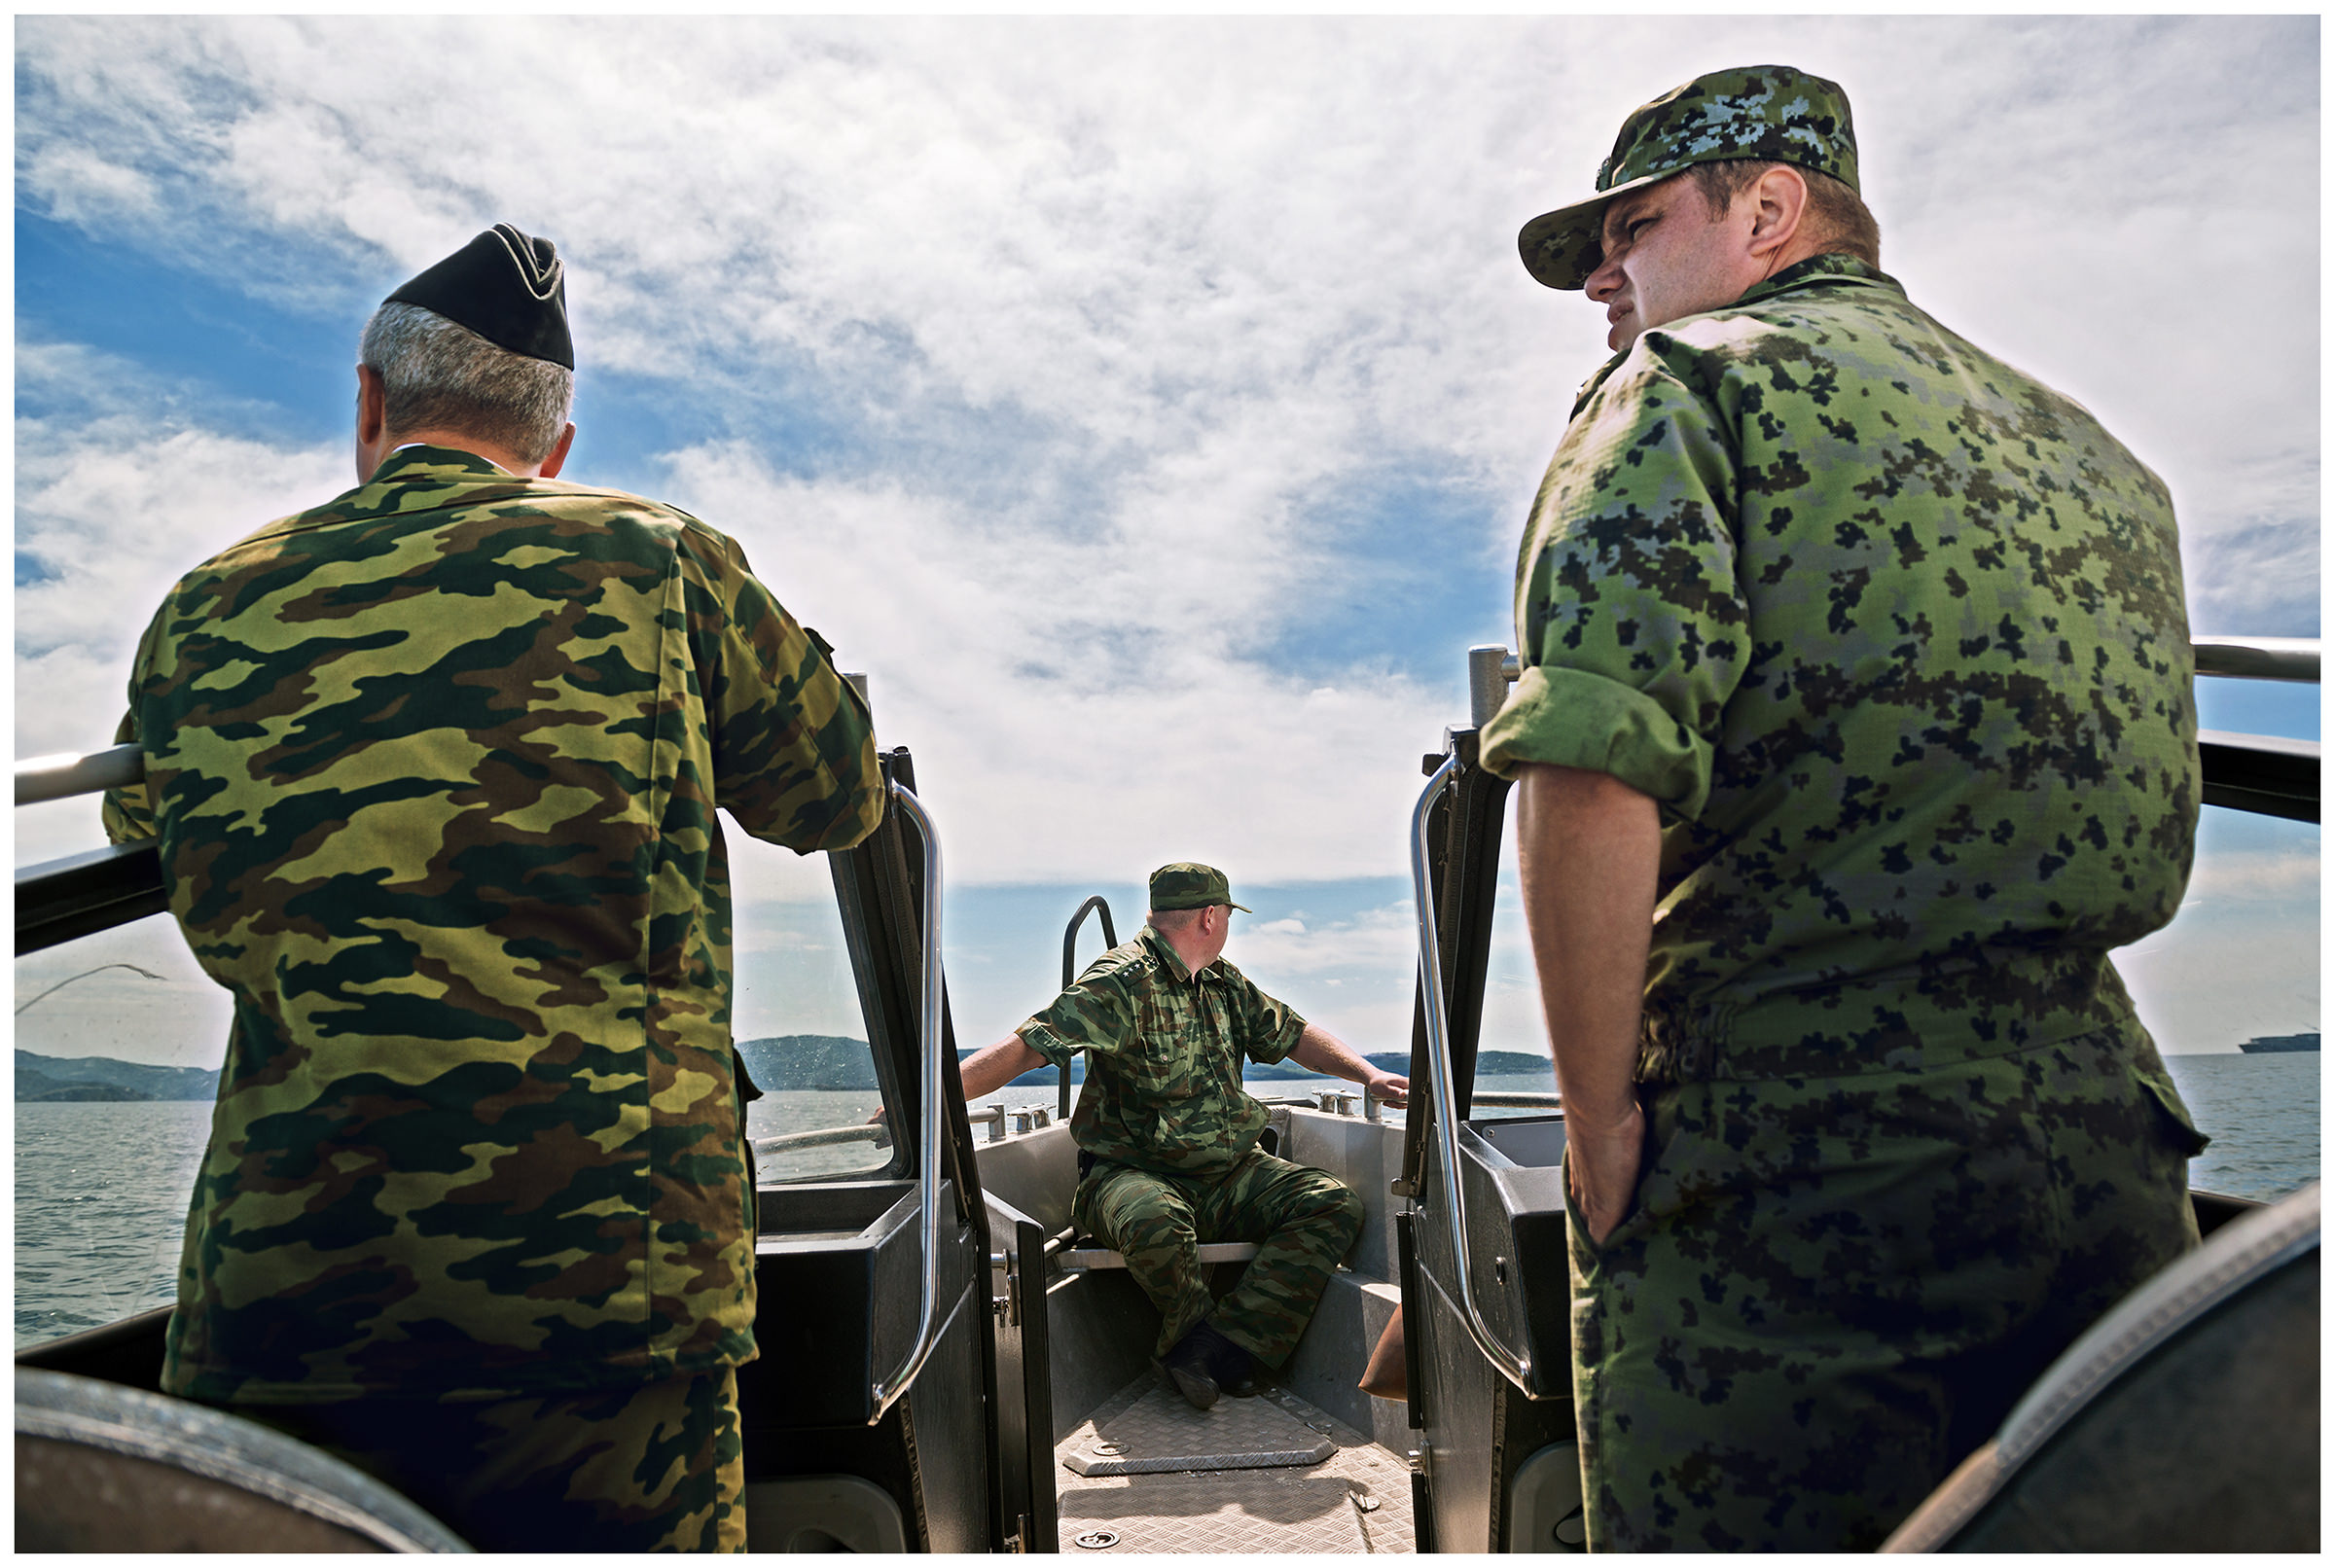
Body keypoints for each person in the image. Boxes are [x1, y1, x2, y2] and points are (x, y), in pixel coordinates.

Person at [1481, 66, 2209, 1551]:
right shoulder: (2110, 469)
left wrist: (1599, 1123)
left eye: (1636, 227)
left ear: (1768, 210)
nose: (1604, 279)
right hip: (2105, 1159)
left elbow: (1593, 765)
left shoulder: (1688, 385)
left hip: (1790, 1166)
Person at [101, 224, 885, 1552]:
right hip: (603, 1304)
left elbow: (149, 844)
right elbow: (838, 794)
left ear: (370, 401)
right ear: (555, 448)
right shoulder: (661, 562)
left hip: (286, 1297)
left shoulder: (205, 610)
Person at [956, 863, 1408, 1409]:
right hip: (1129, 1175)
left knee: (1330, 1204)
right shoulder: (1120, 981)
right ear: (1211, 917)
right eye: (1226, 918)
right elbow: (1029, 1044)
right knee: (1155, 1219)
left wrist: (1367, 1074)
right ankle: (1189, 1341)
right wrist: (935, 1098)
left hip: (1230, 1174)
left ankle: (1232, 1346)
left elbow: (1292, 1034)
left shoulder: (1224, 983)